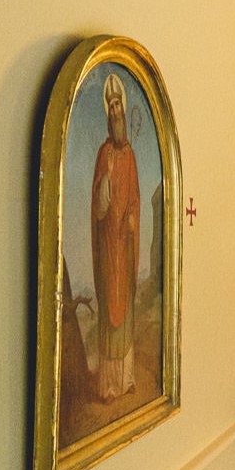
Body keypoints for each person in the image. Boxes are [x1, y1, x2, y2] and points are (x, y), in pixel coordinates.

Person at [91, 73, 141, 401]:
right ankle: (109, 385)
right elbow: (97, 205)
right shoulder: (104, 154)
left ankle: (127, 378)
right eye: (111, 109)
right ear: (108, 117)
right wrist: (104, 188)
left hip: (126, 243)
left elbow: (135, 197)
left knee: (127, 310)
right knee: (111, 309)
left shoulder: (130, 156)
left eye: (118, 107)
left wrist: (133, 218)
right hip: (109, 245)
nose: (116, 112)